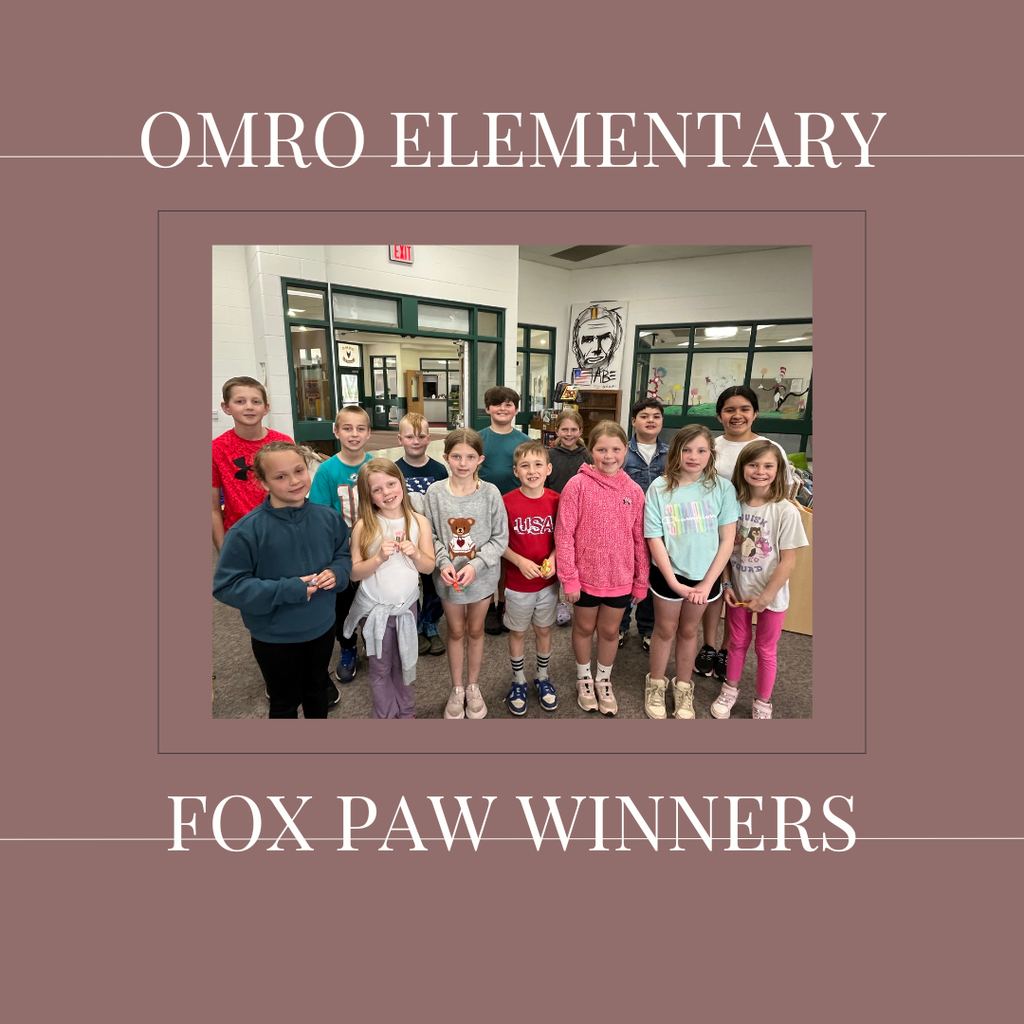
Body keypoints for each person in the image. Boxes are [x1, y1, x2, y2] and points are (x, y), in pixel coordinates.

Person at [213, 442, 351, 719]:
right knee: (284, 702)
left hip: (321, 627)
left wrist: (337, 572)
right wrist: (291, 589)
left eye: (299, 470)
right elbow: (227, 586)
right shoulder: (245, 531)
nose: (294, 481)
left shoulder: (329, 518)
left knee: (317, 692)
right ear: (263, 483)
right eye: (280, 476)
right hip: (274, 636)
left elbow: (343, 555)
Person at [696, 385, 796, 682]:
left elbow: (783, 491)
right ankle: (709, 646)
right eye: (729, 410)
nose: (736, 415)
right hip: (712, 528)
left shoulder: (771, 447)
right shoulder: (711, 446)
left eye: (744, 409)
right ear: (719, 415)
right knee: (715, 590)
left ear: (755, 413)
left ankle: (728, 649)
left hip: (750, 531)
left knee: (737, 589)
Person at [643, 425, 739, 721]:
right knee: (665, 630)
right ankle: (656, 683)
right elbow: (654, 537)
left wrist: (708, 583)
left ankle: (683, 686)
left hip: (705, 578)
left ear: (711, 453)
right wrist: (672, 580)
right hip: (669, 576)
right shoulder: (660, 487)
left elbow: (727, 540)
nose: (693, 456)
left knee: (688, 632)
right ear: (676, 452)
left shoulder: (723, 488)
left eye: (701, 450)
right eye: (686, 450)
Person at [554, 421, 647, 716]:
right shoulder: (577, 485)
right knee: (583, 627)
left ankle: (603, 680)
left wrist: (641, 580)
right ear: (590, 450)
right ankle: (584, 678)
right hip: (584, 577)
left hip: (619, 577)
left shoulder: (634, 491)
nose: (609, 455)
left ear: (626, 450)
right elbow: (564, 533)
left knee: (609, 631)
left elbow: (640, 540)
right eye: (602, 449)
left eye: (616, 449)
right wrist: (568, 578)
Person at [713, 440, 808, 720]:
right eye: (753, 465)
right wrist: (727, 584)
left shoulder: (785, 510)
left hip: (772, 597)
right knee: (737, 642)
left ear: (778, 470)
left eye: (768, 466)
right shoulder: (733, 504)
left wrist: (766, 597)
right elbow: (726, 550)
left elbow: (788, 560)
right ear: (742, 467)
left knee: (766, 648)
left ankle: (763, 701)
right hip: (738, 592)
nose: (760, 471)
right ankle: (730, 688)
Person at [424, 429, 509, 720]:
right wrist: (443, 561)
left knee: (475, 630)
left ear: (480, 459)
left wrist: (476, 565)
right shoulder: (434, 493)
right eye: (456, 456)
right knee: (456, 631)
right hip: (448, 578)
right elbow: (431, 534)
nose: (462, 463)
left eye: (470, 457)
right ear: (445, 457)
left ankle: (473, 685)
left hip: (481, 578)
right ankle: (456, 687)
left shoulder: (490, 493)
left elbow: (500, 538)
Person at [344, 460, 436, 719]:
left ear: (401, 483)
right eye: (377, 489)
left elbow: (428, 567)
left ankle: (407, 713)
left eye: (391, 484)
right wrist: (377, 560)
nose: (386, 493)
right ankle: (384, 716)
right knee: (380, 667)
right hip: (375, 610)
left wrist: (416, 553)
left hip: (406, 607)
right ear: (368, 496)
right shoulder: (365, 525)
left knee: (406, 663)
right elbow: (354, 572)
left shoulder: (419, 522)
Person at [309, 405, 374, 687]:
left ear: (369, 433)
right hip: (341, 551)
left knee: (373, 599)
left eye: (360, 428)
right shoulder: (326, 470)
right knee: (343, 604)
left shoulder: (375, 467)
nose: (354, 434)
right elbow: (321, 514)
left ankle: (373, 642)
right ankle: (347, 647)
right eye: (347, 428)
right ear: (336, 432)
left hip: (374, 550)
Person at [501, 441, 559, 715]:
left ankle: (542, 676)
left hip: (547, 583)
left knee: (544, 630)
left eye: (538, 465)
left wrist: (555, 560)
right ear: (516, 471)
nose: (532, 470)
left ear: (548, 468)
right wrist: (519, 561)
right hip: (517, 583)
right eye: (525, 465)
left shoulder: (557, 500)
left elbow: (564, 538)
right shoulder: (506, 502)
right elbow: (497, 541)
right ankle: (518, 679)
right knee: (518, 632)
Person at [212, 376, 292, 553]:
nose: (249, 406)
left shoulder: (283, 443)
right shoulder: (216, 449)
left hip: (282, 530)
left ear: (266, 408)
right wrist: (222, 549)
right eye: (240, 401)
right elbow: (213, 509)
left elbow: (293, 491)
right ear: (226, 407)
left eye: (256, 401)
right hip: (241, 535)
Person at [394, 412, 447, 656]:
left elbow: (446, 504)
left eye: (421, 436)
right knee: (410, 585)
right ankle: (413, 627)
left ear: (429, 439)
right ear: (399, 439)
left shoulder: (439, 470)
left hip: (433, 538)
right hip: (405, 539)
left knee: (434, 585)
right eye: (409, 436)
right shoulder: (394, 470)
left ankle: (431, 625)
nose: (415, 441)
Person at [477, 386, 529, 635]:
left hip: (515, 507)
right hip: (484, 507)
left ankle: (504, 603)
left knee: (509, 558)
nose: (503, 408)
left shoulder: (524, 441)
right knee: (487, 558)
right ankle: (487, 605)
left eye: (509, 404)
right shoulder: (478, 439)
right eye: (497, 404)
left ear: (516, 410)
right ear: (488, 409)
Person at [620, 398, 670, 651]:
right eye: (644, 416)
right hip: (625, 526)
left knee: (651, 577)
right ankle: (619, 626)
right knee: (624, 576)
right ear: (633, 421)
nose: (650, 420)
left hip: (659, 528)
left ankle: (647, 629)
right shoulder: (622, 452)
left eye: (656, 416)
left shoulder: (671, 454)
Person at [547, 408, 593, 493]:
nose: (569, 434)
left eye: (573, 430)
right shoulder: (549, 457)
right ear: (557, 431)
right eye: (564, 429)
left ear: (580, 431)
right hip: (554, 504)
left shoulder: (587, 457)